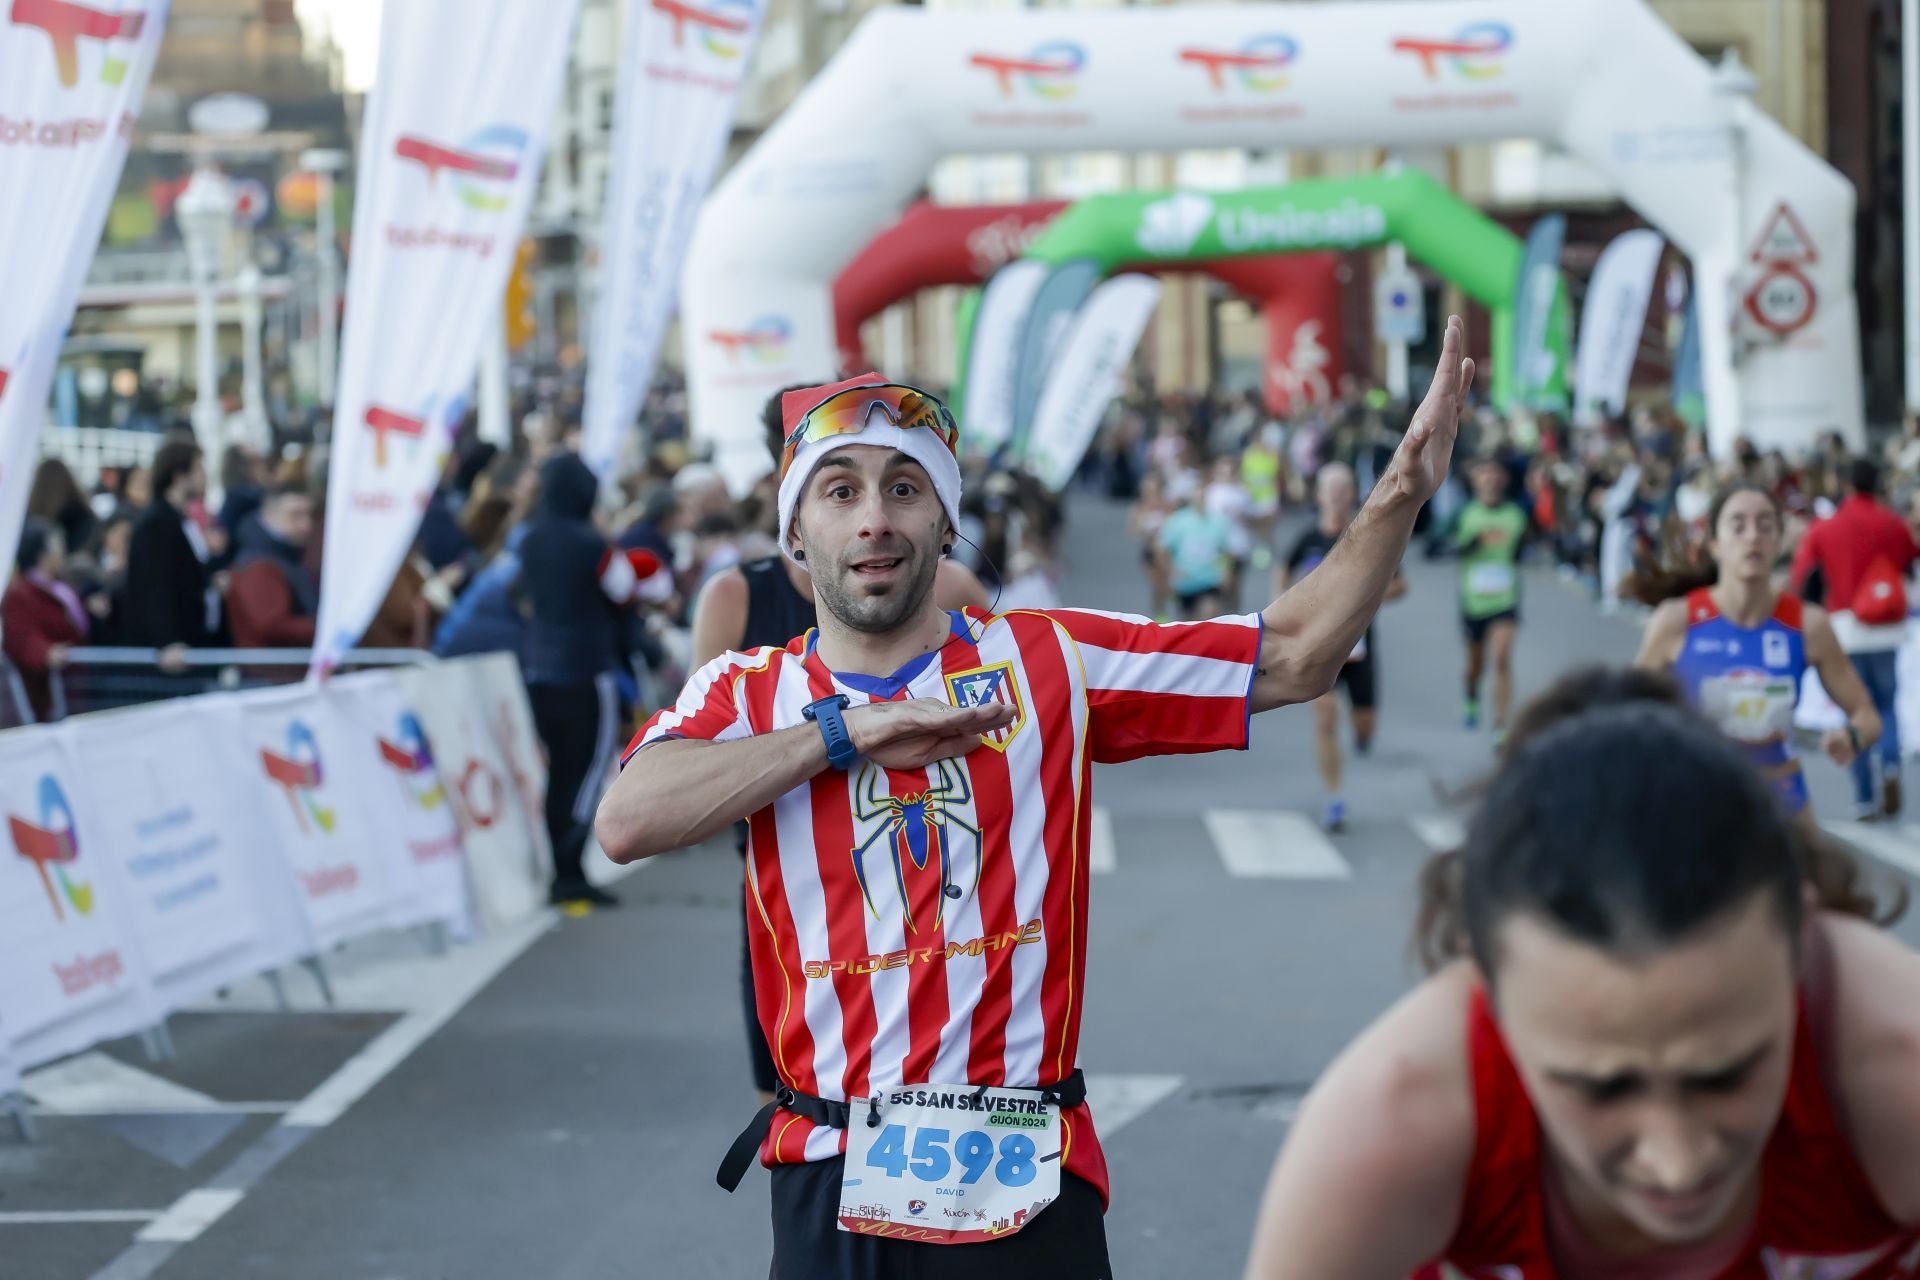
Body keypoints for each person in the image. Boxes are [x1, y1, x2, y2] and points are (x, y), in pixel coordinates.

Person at [597, 320, 1473, 1277]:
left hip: (1025, 1177)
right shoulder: (741, 693)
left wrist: (1400, 494)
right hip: (833, 1177)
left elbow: (1297, 654)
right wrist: (841, 734)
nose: (874, 519)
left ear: (945, 519)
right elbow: (627, 820)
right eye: (839, 492)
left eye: (905, 488)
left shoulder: (1046, 657)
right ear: (797, 534)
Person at [1244, 669, 1920, 1279]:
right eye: (1600, 1088)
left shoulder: (1899, 1069)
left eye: (1725, 1075)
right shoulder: (1391, 1128)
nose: (1677, 1162)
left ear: (1803, 942)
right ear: (1489, 990)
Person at [1635, 482, 1880, 826]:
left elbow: (1867, 714)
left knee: (1820, 877)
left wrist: (1850, 736)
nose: (1753, 537)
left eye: (1765, 526)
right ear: (1714, 544)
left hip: (1781, 801)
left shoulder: (1808, 626)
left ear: (1779, 541)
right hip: (1696, 803)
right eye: (1738, 526)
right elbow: (1626, 715)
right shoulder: (1677, 621)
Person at [520, 452, 672, 911]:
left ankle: (560, 871)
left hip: (539, 668)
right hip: (587, 669)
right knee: (586, 776)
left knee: (558, 775)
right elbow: (624, 589)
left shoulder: (529, 540)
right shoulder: (591, 543)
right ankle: (571, 872)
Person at [1789, 457, 1918, 819]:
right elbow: (1911, 558)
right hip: (1888, 626)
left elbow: (1803, 574)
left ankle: (1864, 795)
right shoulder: (1893, 523)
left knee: (1855, 710)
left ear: (1845, 484)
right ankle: (1891, 763)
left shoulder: (1828, 526)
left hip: (1844, 628)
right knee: (1887, 705)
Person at [1280, 462, 1406, 832]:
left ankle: (1364, 735)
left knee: (1364, 724)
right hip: (1321, 650)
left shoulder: (1367, 537)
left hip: (1359, 648)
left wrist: (1366, 595)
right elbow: (1282, 573)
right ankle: (1334, 798)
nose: (1335, 496)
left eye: (1342, 489)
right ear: (1318, 495)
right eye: (1328, 489)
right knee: (1325, 717)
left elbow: (1401, 585)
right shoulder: (1306, 541)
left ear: (1352, 494)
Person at [123, 440, 224, 652]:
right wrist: (166, 641)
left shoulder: (180, 519)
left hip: (193, 641)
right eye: (198, 469)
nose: (205, 476)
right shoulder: (157, 523)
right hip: (173, 652)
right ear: (179, 476)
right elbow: (154, 585)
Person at [1455, 457, 1527, 740]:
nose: (1490, 481)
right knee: (1476, 666)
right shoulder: (1465, 514)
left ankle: (1501, 724)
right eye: (1484, 476)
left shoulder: (1515, 516)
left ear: (1503, 481)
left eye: (1495, 475)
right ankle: (1471, 695)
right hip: (1474, 603)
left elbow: (1521, 551)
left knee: (1501, 659)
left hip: (1505, 600)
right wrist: (1471, 544)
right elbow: (1441, 545)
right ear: (1475, 481)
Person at [2, 520, 88, 722]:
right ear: (43, 553)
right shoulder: (20, 592)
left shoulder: (59, 585)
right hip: (47, 694)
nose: (62, 552)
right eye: (58, 545)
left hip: (73, 685)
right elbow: (21, 635)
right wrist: (45, 653)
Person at [226, 485, 319, 649]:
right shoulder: (260, 564)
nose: (306, 525)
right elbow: (271, 626)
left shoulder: (287, 556)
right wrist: (323, 626)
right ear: (270, 514)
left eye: (308, 515)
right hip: (274, 670)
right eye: (295, 515)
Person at [1155, 476, 1235, 618]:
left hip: (1210, 579)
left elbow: (1226, 551)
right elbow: (1162, 549)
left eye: (1203, 496)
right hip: (1186, 581)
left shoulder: (1218, 521)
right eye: (1197, 496)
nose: (1200, 500)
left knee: (1209, 615)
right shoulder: (1178, 520)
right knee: (1190, 624)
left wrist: (1226, 572)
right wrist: (1171, 570)